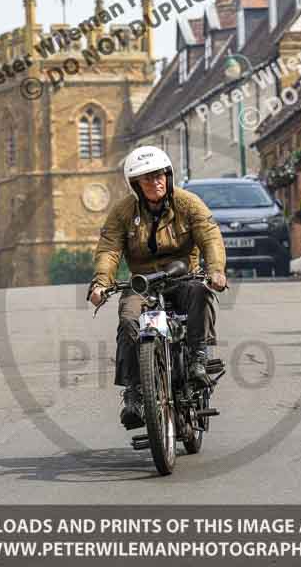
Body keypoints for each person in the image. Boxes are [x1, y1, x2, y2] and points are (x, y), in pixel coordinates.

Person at [87, 146, 227, 429]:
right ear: (135, 185)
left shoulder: (188, 203)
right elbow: (109, 249)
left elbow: (210, 236)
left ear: (169, 175)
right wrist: (101, 283)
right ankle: (135, 393)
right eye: (147, 178)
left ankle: (197, 358)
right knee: (128, 318)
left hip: (183, 278)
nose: (155, 182)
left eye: (160, 175)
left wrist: (215, 271)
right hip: (143, 284)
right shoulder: (123, 212)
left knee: (201, 293)